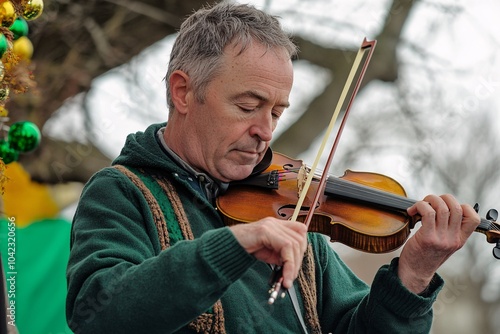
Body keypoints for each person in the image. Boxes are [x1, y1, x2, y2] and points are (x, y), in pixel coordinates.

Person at [65, 2, 480, 333]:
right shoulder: (123, 192)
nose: (265, 131)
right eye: (248, 106)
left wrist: (412, 274)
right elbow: (98, 316)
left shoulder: (293, 208)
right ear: (183, 92)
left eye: (278, 113)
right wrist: (236, 244)